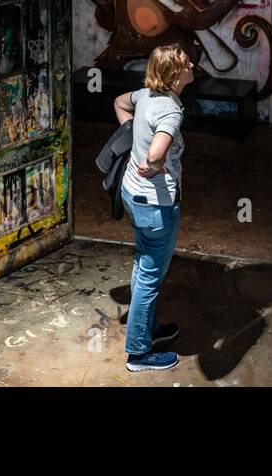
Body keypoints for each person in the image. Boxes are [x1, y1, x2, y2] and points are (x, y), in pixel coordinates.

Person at [113, 44, 194, 371]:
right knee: (149, 276)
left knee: (144, 263)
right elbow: (156, 153)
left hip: (132, 194)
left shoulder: (145, 94)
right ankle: (139, 353)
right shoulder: (171, 111)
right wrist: (154, 162)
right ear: (175, 75)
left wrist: (131, 134)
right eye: (187, 64)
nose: (193, 66)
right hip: (156, 204)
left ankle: (146, 328)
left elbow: (119, 102)